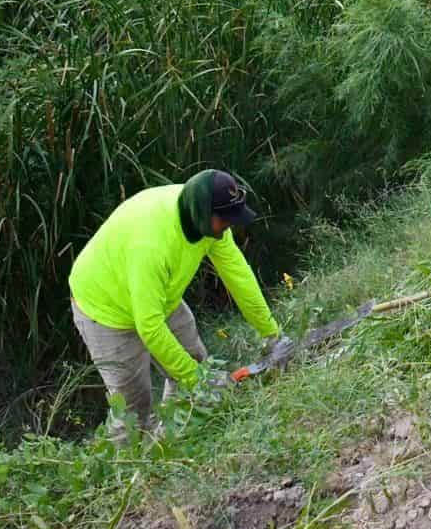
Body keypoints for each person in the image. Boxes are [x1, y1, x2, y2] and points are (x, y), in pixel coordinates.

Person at [69, 169, 283, 440]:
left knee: (194, 365)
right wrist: (200, 381)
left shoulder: (210, 222)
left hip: (157, 295)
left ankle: (168, 447)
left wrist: (271, 334)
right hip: (105, 309)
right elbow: (149, 326)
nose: (229, 226)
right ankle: (121, 476)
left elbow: (238, 274)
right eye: (225, 220)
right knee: (133, 408)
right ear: (202, 214)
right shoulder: (152, 243)